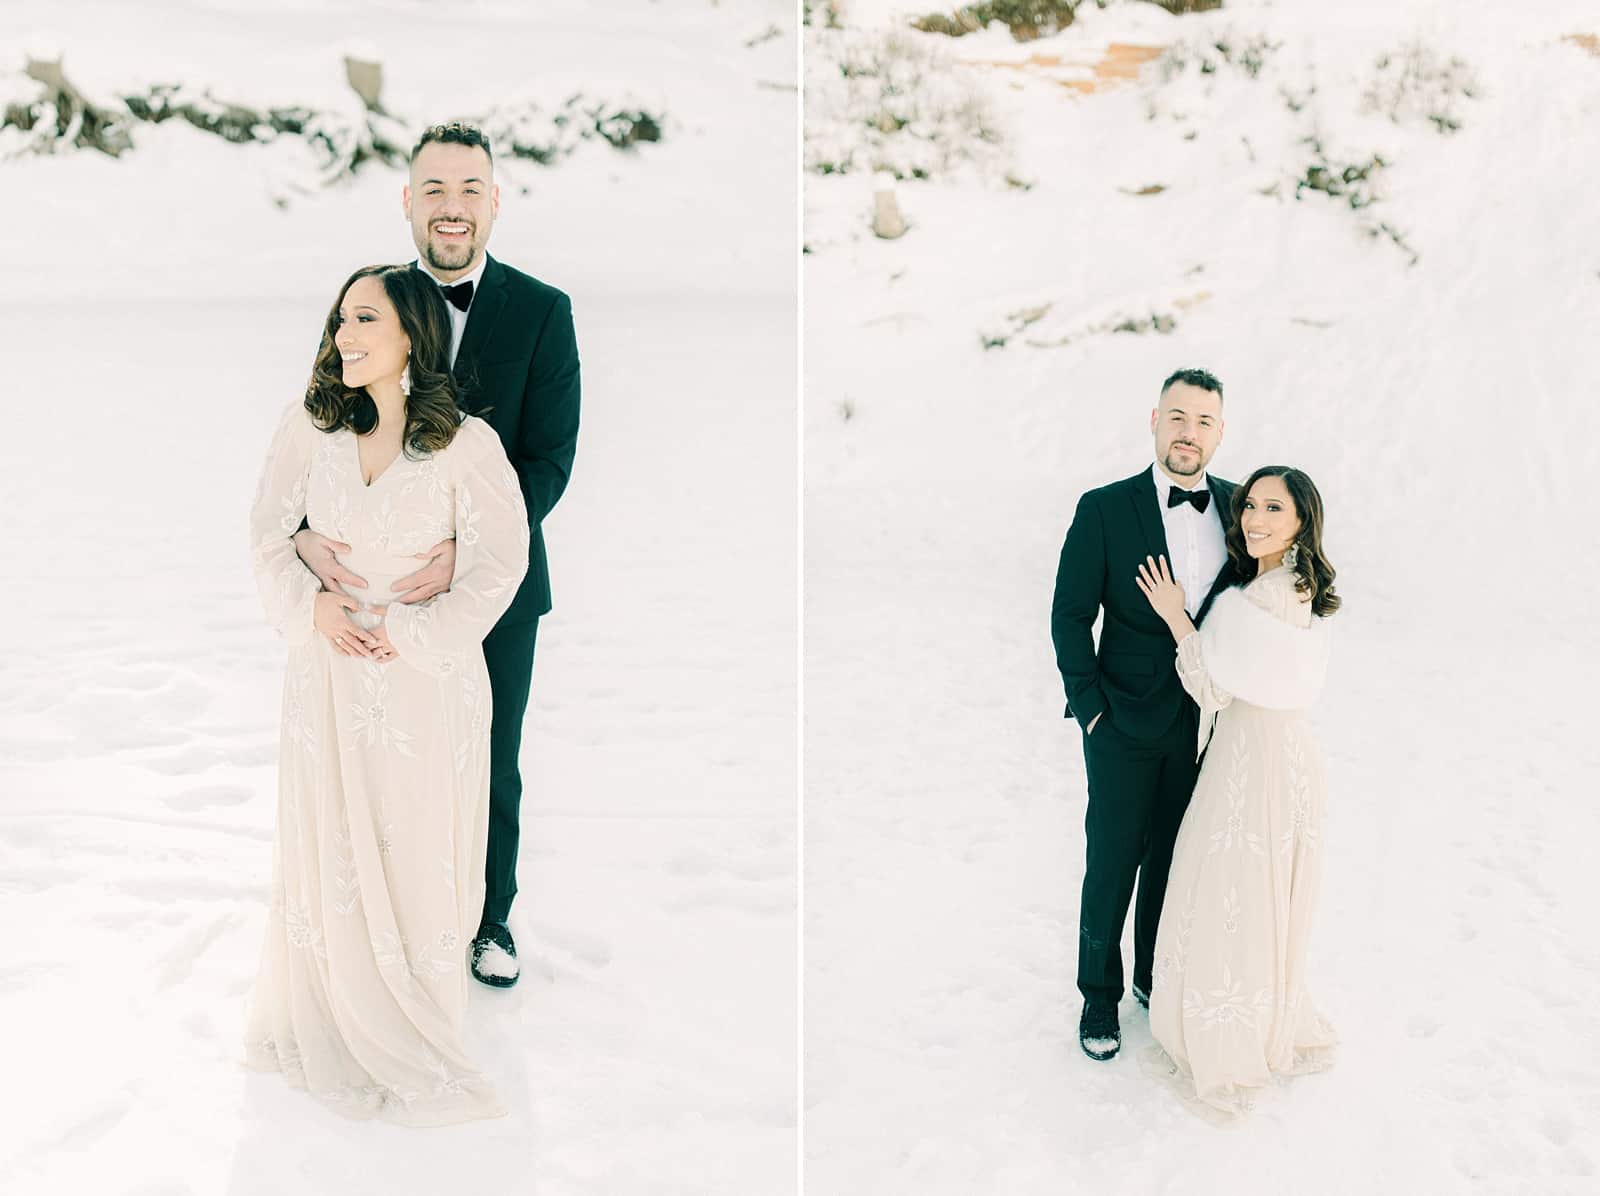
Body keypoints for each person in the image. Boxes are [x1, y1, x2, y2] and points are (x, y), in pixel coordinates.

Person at [293, 122, 581, 987]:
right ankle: (390, 914)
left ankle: (487, 920)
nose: (451, 209)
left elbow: (551, 460)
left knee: (488, 755)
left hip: (499, 587)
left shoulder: (543, 311)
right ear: (408, 202)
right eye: (434, 190)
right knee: (379, 756)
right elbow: (325, 420)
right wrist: (305, 533)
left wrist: (472, 552)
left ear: (494, 202)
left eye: (468, 191)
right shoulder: (369, 301)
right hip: (373, 580)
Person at [245, 263, 529, 1125]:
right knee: (331, 833)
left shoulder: (466, 444)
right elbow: (264, 535)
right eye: (339, 320)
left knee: (413, 839)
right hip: (327, 672)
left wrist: (416, 635)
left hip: (422, 685)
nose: (345, 335)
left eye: (364, 318)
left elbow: (498, 564)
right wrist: (313, 606)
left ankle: (411, 1003)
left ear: (412, 333)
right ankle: (332, 1001)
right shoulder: (309, 428)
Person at [1133, 465, 1341, 1120]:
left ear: (1301, 519)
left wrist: (1177, 619)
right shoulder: (1302, 586)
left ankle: (1228, 1035)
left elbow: (1213, 686)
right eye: (1250, 506)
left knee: (1228, 889)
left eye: (1273, 509)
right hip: (1290, 755)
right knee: (1257, 891)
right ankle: (1261, 1013)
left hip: (1251, 760)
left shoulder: (1258, 599)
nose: (1254, 519)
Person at [1050, 368, 1236, 1061]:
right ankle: (1098, 995)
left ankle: (1156, 978)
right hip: (1120, 725)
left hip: (1204, 726)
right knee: (1113, 863)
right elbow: (1070, 618)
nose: (1190, 434)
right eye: (1179, 418)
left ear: (1221, 433)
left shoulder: (1240, 507)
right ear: (1154, 419)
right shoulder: (1103, 509)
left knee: (1174, 861)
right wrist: (1091, 710)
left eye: (1205, 422)